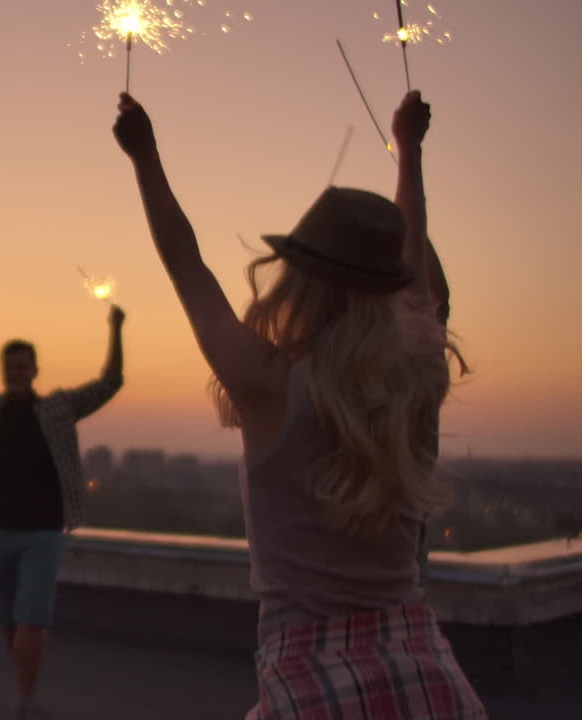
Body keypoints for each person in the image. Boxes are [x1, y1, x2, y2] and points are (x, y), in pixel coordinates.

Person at [113, 90, 484, 718]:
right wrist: (409, 153)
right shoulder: (417, 385)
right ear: (391, 290)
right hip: (425, 670)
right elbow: (417, 275)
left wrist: (143, 154)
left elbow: (184, 260)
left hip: (308, 677)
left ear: (297, 279)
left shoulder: (267, 381)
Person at [0, 289, 124, 718]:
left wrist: (116, 329)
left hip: (43, 531)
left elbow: (110, 382)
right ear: (3, 370)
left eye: (23, 366)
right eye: (10, 366)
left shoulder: (58, 408)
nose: (17, 372)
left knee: (32, 616)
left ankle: (23, 694)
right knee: (8, 619)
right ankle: (23, 680)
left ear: (35, 369)